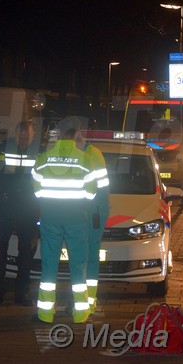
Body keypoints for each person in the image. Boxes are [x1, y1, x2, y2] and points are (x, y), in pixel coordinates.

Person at [32, 117, 97, 324]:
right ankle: (80, 314)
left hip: (50, 217)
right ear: (76, 135)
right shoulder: (84, 159)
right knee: (78, 266)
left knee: (49, 265)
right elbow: (91, 193)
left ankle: (44, 313)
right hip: (76, 219)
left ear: (59, 134)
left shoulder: (44, 158)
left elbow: (36, 190)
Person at [0, 121, 40, 307]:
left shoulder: (38, 152)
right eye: (20, 137)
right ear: (15, 134)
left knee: (26, 255)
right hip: (4, 207)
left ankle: (22, 294)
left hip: (28, 209)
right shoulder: (3, 149)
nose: (23, 140)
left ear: (32, 136)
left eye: (27, 137)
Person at [76, 130, 110, 313]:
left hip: (92, 214)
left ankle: (88, 300)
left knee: (88, 257)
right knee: (86, 257)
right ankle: (86, 300)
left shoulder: (92, 155)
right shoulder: (91, 154)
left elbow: (100, 190)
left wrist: (97, 212)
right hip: (89, 213)